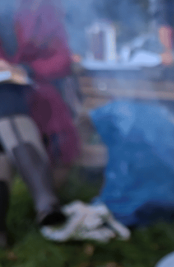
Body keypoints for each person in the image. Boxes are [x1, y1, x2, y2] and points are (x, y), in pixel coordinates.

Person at [0, 0, 81, 248]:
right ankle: (45, 199)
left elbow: (62, 59)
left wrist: (24, 70)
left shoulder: (45, 9)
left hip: (36, 94)